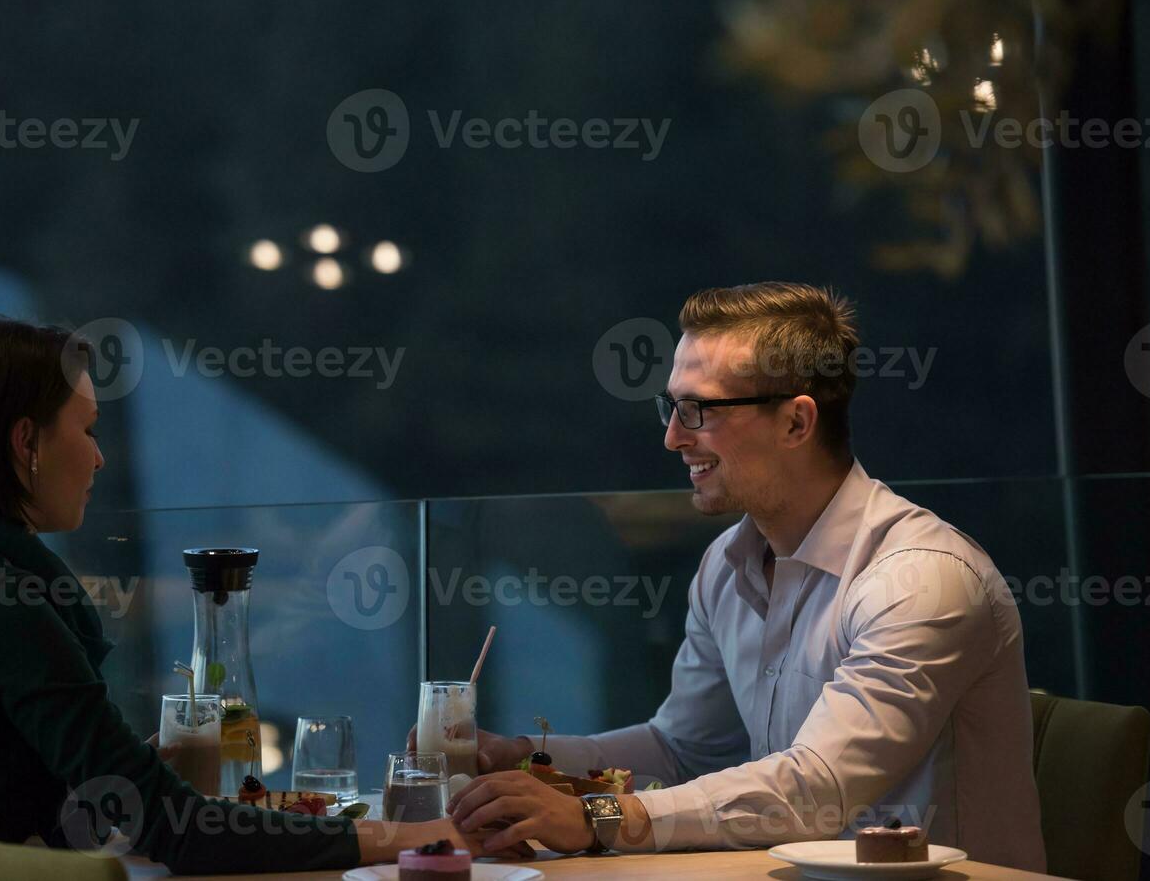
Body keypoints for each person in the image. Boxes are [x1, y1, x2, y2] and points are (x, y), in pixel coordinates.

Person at [0, 315, 524, 880]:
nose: (99, 456)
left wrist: (138, 766)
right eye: (85, 430)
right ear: (26, 443)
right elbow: (175, 829)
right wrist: (400, 837)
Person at [443, 283, 1048, 872]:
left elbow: (820, 788)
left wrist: (598, 817)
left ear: (795, 423)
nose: (673, 436)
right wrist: (524, 759)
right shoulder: (726, 566)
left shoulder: (922, 580)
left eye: (698, 410)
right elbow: (682, 750)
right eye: (671, 407)